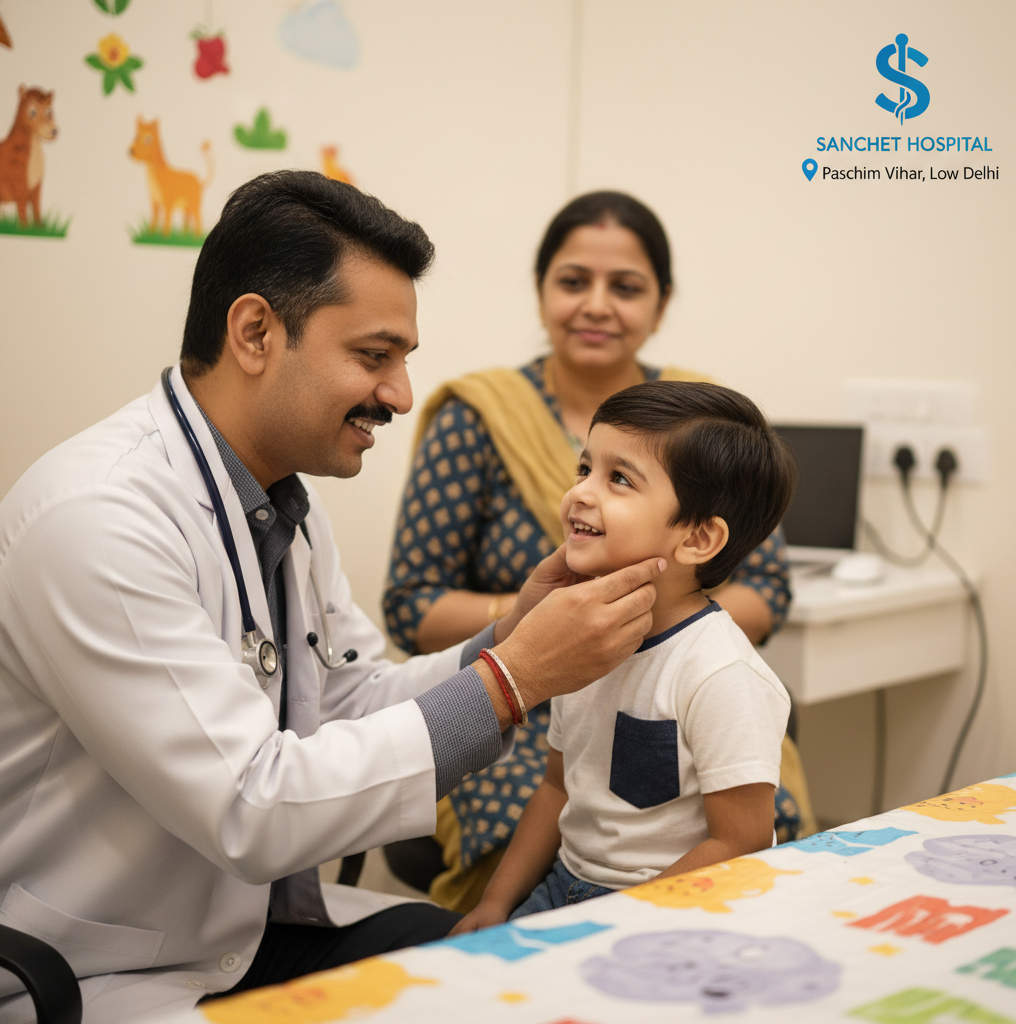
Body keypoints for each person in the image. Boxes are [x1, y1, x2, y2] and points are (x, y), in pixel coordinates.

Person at [0, 171, 668, 1022]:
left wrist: (505, 639)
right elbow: (252, 806)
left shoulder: (279, 504)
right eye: (372, 357)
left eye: (402, 361)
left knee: (491, 970)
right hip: (98, 965)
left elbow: (348, 699)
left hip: (233, 927)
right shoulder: (98, 518)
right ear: (255, 332)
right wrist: (514, 682)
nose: (399, 395)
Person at [383, 191, 813, 913]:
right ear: (543, 287)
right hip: (523, 687)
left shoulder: (706, 422)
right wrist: (549, 625)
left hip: (665, 702)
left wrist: (652, 625)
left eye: (626, 286)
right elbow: (411, 606)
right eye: (574, 280)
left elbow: (766, 583)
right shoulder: (477, 415)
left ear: (661, 301)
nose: (597, 304)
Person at [453, 380, 796, 930]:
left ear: (698, 540)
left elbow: (742, 840)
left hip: (674, 907)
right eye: (584, 469)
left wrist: (624, 922)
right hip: (563, 887)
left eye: (619, 479)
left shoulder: (719, 672)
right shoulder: (580, 642)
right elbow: (556, 787)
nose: (582, 493)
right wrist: (494, 905)